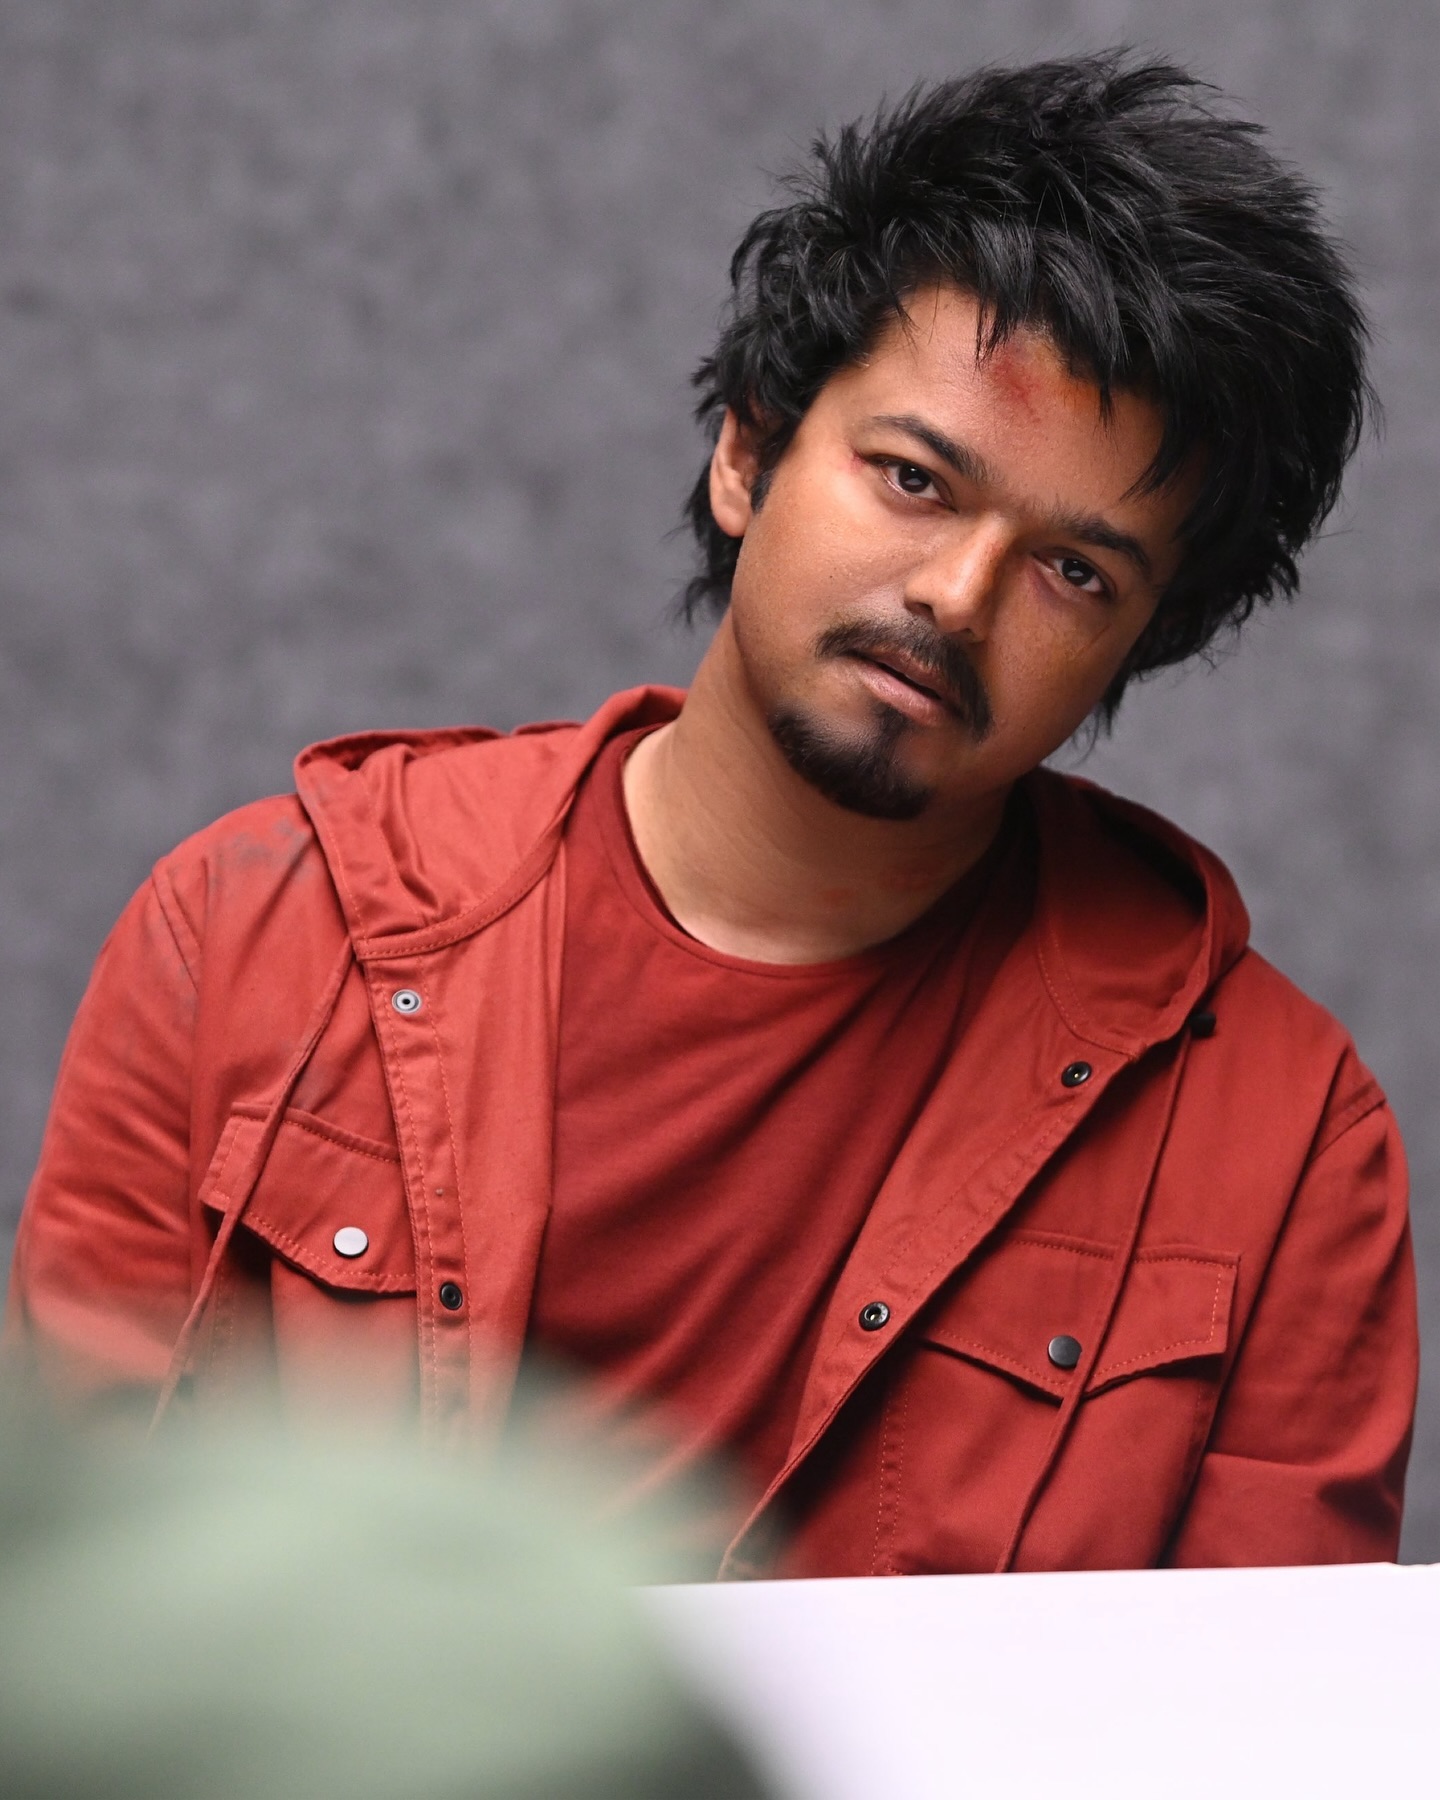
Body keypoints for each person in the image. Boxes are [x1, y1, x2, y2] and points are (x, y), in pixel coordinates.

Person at [5, 53, 1417, 1577]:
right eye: (914, 479)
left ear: (1144, 640)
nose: (959, 596)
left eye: (1075, 572)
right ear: (748, 453)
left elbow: (1265, 1700)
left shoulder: (1280, 1140)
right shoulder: (253, 941)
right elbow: (78, 1617)